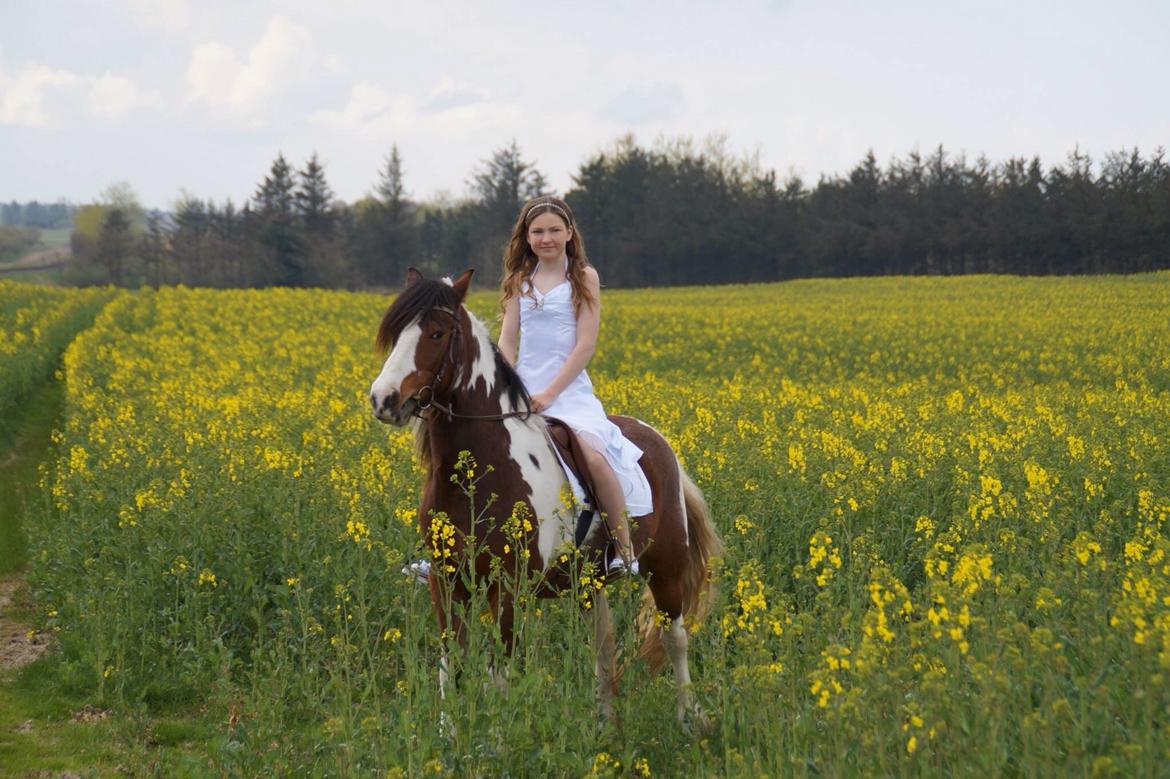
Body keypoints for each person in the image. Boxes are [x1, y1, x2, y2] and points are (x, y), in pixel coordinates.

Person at [497, 195, 651, 577]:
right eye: (537, 231)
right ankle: (446, 556)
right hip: (523, 392)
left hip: (569, 395)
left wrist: (550, 394)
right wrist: (504, 386)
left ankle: (623, 551)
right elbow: (507, 343)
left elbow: (586, 345)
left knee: (595, 458)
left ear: (568, 233)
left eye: (553, 230)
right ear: (526, 237)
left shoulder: (583, 278)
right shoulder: (519, 282)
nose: (546, 238)